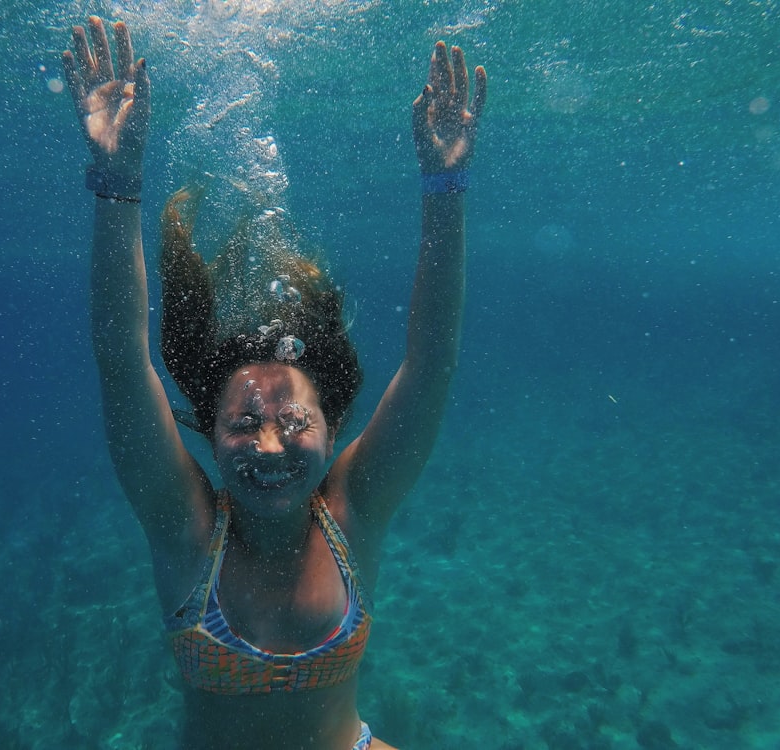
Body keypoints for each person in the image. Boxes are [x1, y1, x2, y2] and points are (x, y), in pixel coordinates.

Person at [62, 15, 486, 750]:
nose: (269, 446)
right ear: (206, 430)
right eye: (242, 424)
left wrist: (445, 184)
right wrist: (116, 180)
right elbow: (121, 357)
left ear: (333, 428)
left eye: (294, 424)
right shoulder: (187, 529)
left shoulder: (355, 511)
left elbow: (431, 358)